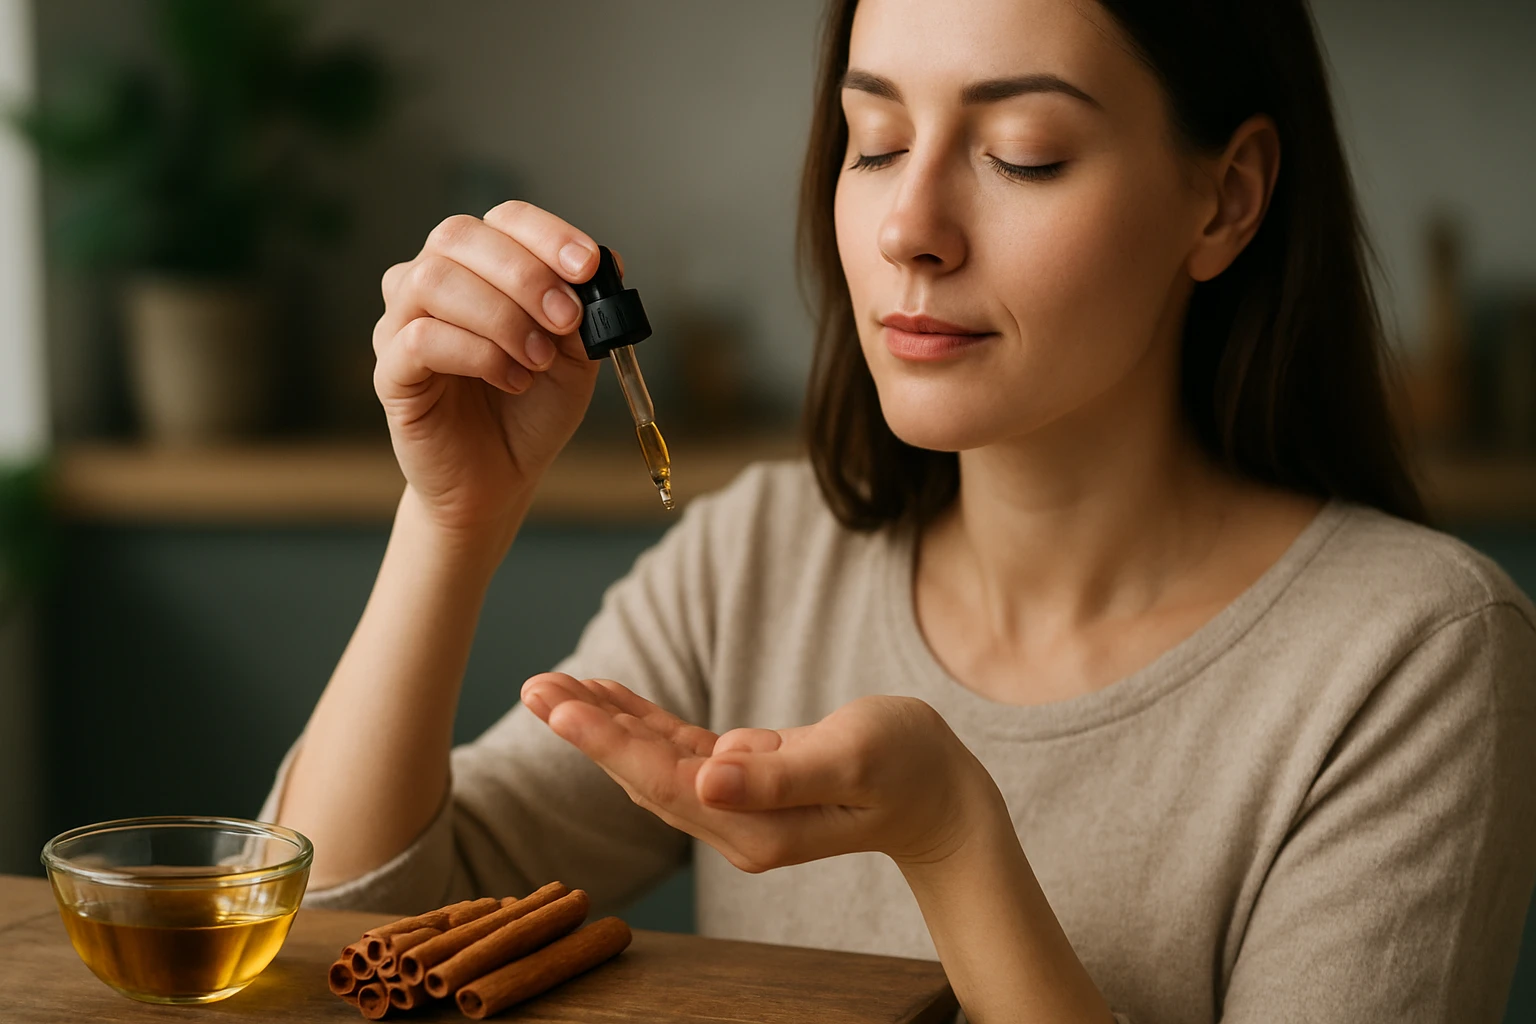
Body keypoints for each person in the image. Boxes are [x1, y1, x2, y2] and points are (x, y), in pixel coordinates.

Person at [262, 1, 1536, 1021]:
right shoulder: (763, 555)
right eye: (872, 142)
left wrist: (955, 847)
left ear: (1228, 197)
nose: (909, 227)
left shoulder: (1415, 655)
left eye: (1020, 153)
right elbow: (338, 922)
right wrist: (451, 519)